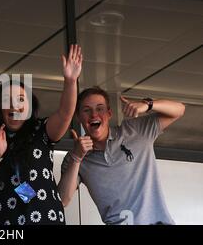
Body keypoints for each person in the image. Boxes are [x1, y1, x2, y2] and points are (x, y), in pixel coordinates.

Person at [0, 45, 83, 225]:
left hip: (46, 219)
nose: (14, 105)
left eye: (21, 99)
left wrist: (70, 81)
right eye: (7, 100)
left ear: (30, 106)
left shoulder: (40, 130)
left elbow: (65, 113)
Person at [59, 86, 185, 225]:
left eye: (100, 108)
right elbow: (63, 200)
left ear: (109, 113)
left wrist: (148, 105)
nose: (94, 115)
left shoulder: (135, 130)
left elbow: (179, 110)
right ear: (78, 117)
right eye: (87, 110)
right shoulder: (74, 158)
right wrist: (77, 158)